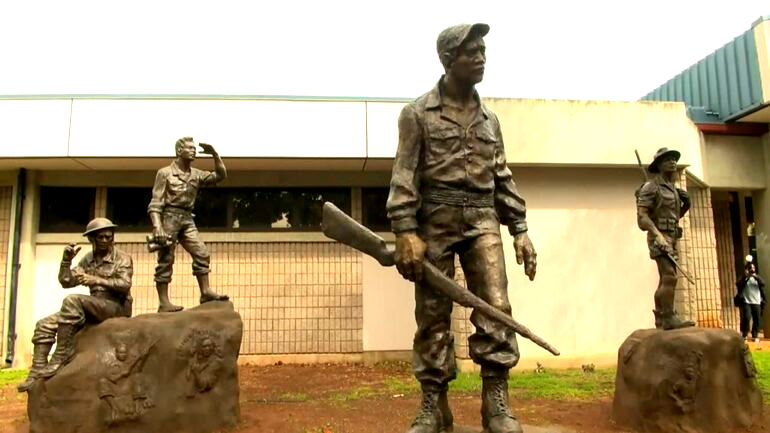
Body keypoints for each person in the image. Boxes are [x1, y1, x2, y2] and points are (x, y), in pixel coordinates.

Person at [386, 23, 537, 433]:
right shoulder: (417, 113)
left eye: (483, 51)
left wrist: (519, 228)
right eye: (473, 52)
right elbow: (404, 175)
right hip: (434, 220)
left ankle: (496, 403)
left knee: (495, 306)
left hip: (483, 219)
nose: (482, 58)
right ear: (450, 59)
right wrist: (405, 230)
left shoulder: (490, 120)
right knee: (433, 315)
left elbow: (501, 175)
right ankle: (434, 405)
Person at [17, 217, 133, 392]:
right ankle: (36, 372)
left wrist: (94, 279)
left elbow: (124, 284)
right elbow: (67, 281)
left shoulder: (122, 258)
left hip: (115, 306)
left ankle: (62, 353)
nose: (104, 240)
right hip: (92, 306)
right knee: (44, 324)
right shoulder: (88, 259)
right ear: (91, 239)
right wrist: (66, 262)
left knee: (72, 300)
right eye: (100, 237)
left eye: (108, 237)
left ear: (112, 237)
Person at [148, 137, 229, 312]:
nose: (194, 151)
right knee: (165, 260)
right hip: (169, 217)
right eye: (190, 148)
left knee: (202, 253)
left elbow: (220, 176)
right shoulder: (165, 173)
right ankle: (163, 302)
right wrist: (158, 227)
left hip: (187, 218)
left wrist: (215, 154)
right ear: (179, 151)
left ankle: (205, 291)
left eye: (194, 148)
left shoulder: (196, 174)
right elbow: (155, 203)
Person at [636, 147, 695, 330]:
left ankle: (662, 316)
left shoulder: (673, 190)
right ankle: (668, 317)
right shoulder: (651, 187)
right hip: (659, 237)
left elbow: (674, 216)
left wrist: (686, 203)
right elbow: (642, 216)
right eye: (667, 159)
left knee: (666, 277)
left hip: (672, 236)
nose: (673, 162)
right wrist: (657, 235)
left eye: (674, 159)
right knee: (670, 276)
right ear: (659, 165)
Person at [736, 262, 766, 342]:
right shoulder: (744, 278)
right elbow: (738, 284)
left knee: (757, 319)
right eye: (750, 268)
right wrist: (746, 277)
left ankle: (754, 335)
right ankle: (744, 334)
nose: (751, 270)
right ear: (746, 270)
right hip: (746, 301)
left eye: (753, 268)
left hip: (757, 301)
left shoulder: (757, 278)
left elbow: (763, 284)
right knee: (746, 317)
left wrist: (755, 276)